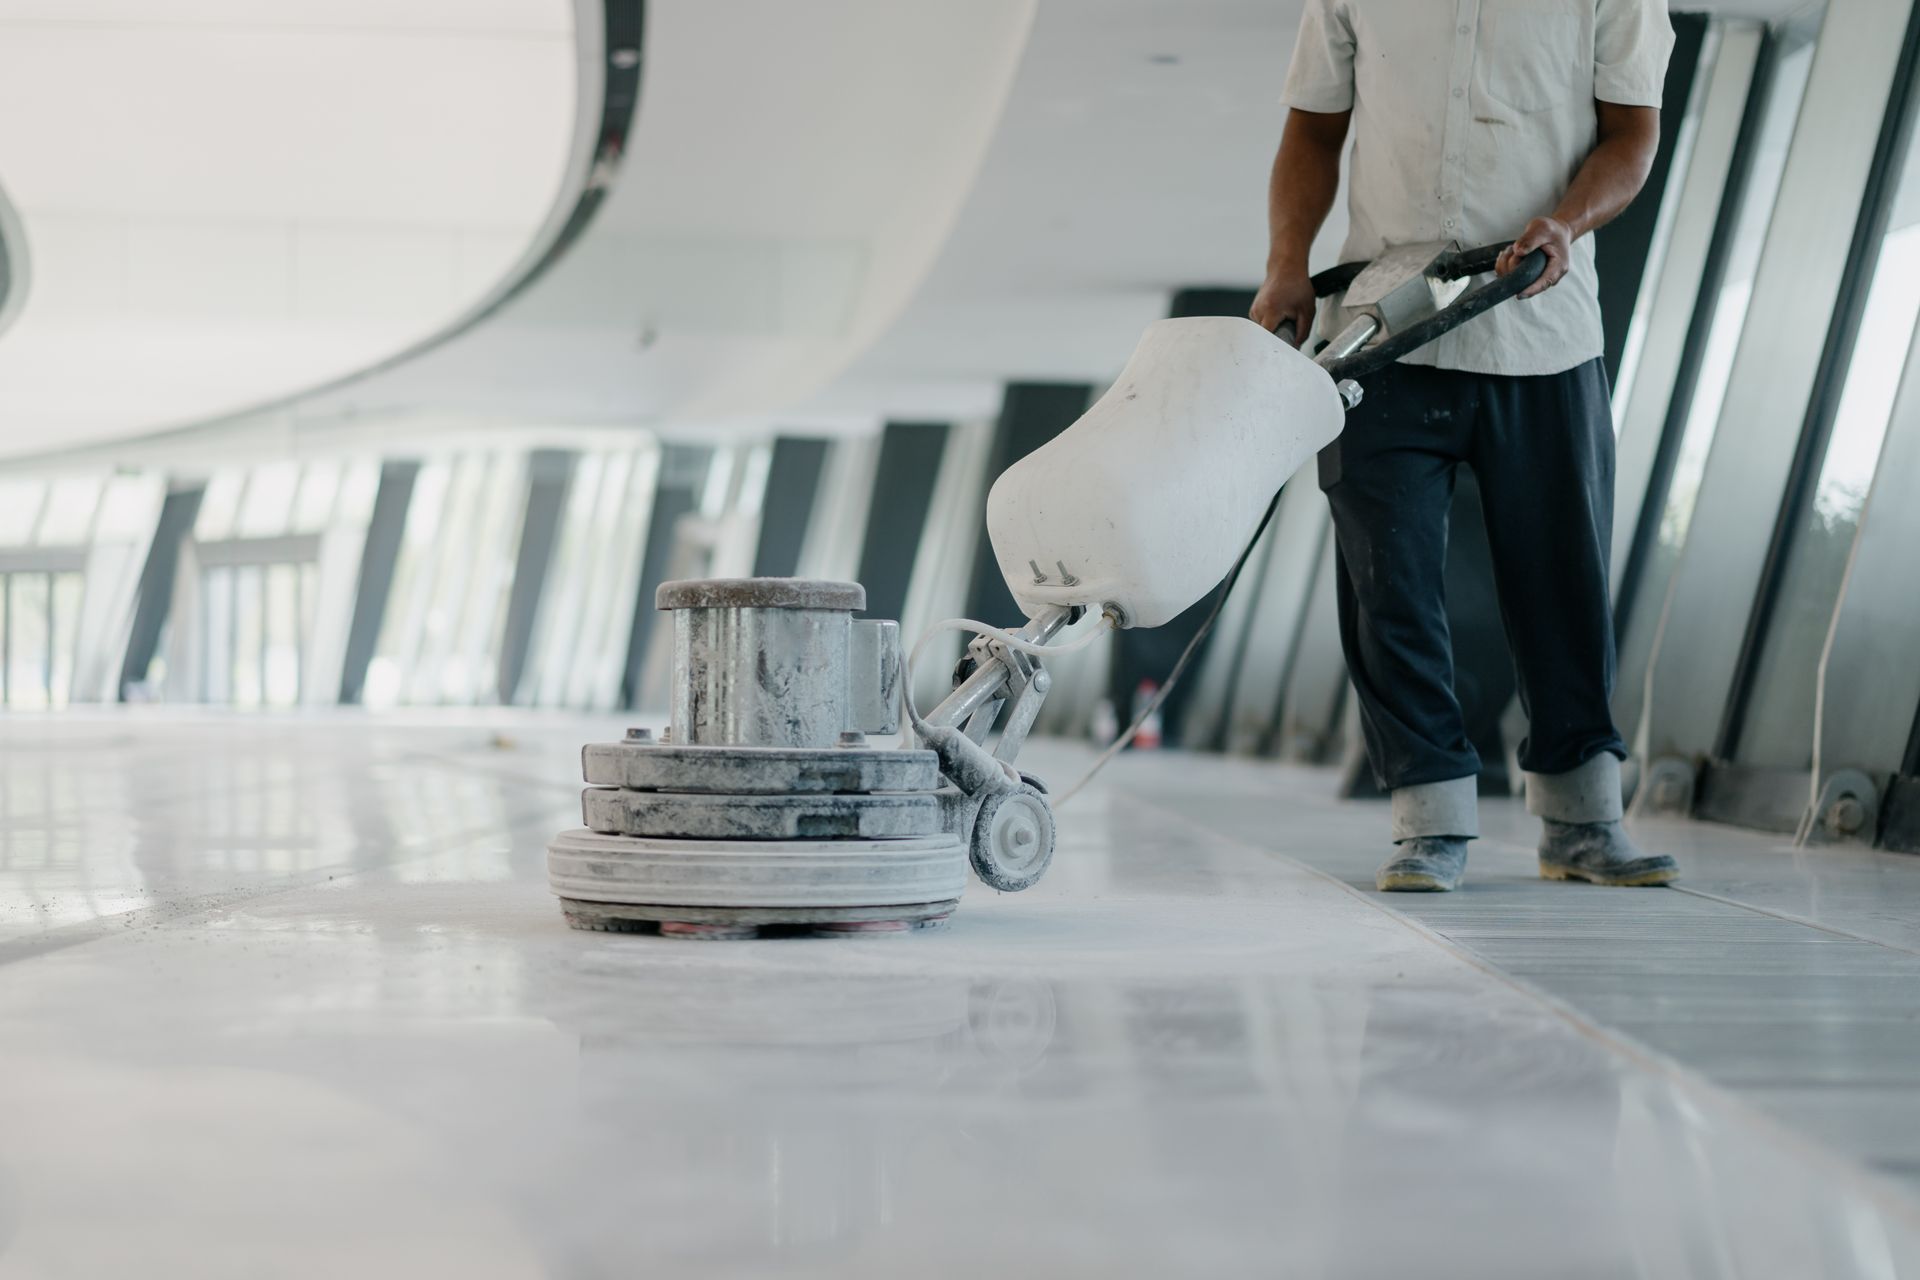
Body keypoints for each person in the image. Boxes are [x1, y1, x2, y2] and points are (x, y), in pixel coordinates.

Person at [1250, 0, 1681, 892]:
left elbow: (1632, 135)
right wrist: (1286, 261)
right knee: (1387, 584)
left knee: (1559, 580)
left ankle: (1584, 821)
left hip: (1543, 330)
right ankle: (1428, 820)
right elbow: (1313, 130)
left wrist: (1567, 220)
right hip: (1384, 330)